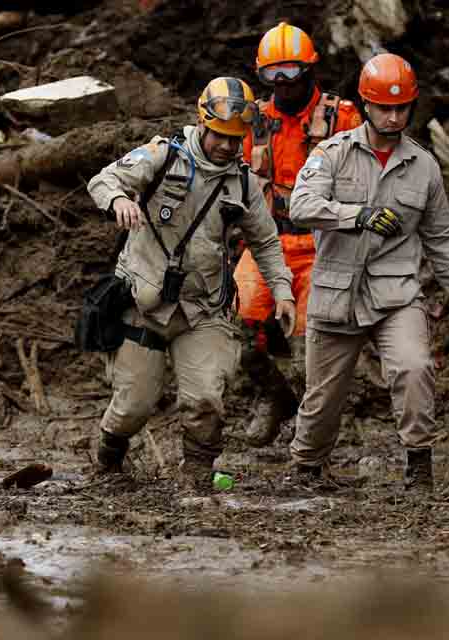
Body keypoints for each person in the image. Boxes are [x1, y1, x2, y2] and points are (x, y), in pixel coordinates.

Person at [287, 53, 449, 492]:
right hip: (337, 292)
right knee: (323, 396)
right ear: (366, 104)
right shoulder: (332, 154)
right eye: (385, 107)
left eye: (402, 108)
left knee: (414, 367)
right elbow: (300, 207)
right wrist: (356, 215)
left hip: (396, 294)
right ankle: (307, 468)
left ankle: (419, 467)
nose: (394, 116)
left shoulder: (424, 167)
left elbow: (442, 243)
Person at [86, 77, 295, 491]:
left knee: (205, 400)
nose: (227, 146)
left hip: (203, 307)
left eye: (236, 139)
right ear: (202, 123)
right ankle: (108, 462)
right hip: (143, 305)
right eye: (220, 136)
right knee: (132, 406)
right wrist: (120, 200)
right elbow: (103, 180)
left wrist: (283, 292)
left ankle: (197, 478)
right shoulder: (163, 155)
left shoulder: (244, 183)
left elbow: (267, 242)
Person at [235, 22, 363, 447]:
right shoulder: (252, 121)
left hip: (322, 245)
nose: (282, 83)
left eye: (290, 72)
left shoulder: (342, 117)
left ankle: (313, 432)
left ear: (310, 71)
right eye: (273, 75)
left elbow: (366, 180)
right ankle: (275, 398)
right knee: (238, 327)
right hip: (267, 241)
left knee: (313, 345)